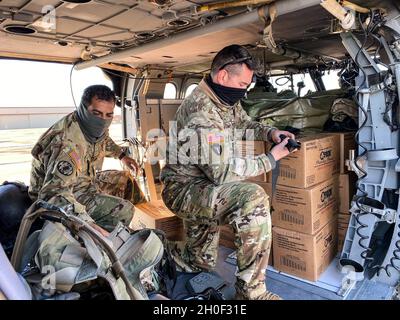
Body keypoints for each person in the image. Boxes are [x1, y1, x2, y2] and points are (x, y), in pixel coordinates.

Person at [160, 45, 296, 300]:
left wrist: (270, 133)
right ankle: (251, 294)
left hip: (201, 184)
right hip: (184, 190)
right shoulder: (202, 113)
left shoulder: (222, 99)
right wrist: (270, 158)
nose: (244, 90)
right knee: (252, 198)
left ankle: (170, 257)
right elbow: (221, 174)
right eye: (243, 83)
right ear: (223, 76)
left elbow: (244, 122)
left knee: (200, 262)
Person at [29, 85, 140, 235]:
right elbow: (53, 196)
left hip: (84, 181)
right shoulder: (67, 144)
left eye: (109, 115)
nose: (103, 120)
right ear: (83, 108)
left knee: (125, 180)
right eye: (97, 113)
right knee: (125, 210)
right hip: (63, 194)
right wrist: (87, 224)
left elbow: (103, 140)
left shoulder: (90, 126)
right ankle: (101, 242)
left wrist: (122, 156)